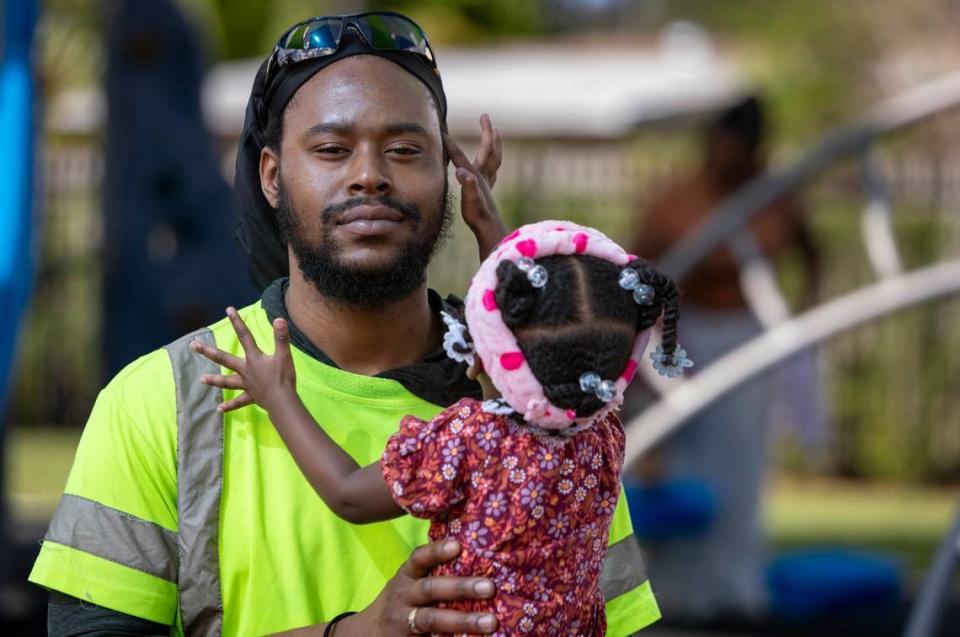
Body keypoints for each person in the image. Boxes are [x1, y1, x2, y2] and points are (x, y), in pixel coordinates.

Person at [30, 12, 659, 636]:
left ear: (449, 174)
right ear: (272, 176)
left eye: (405, 150)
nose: (369, 175)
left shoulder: (550, 410)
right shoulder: (159, 401)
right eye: (332, 149)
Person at [192, 221, 690, 636]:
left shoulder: (470, 440)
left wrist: (279, 397)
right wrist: (493, 229)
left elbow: (348, 495)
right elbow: (547, 328)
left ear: (481, 355)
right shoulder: (601, 437)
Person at [627, 95, 819, 622]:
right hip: (684, 339)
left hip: (749, 339)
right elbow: (638, 269)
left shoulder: (774, 195)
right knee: (682, 463)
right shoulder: (677, 198)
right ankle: (677, 592)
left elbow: (810, 252)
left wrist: (800, 321)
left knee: (743, 463)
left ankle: (736, 587)